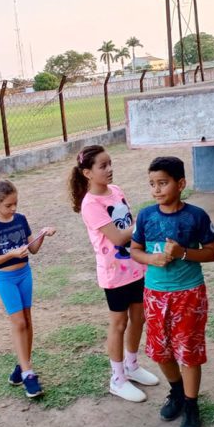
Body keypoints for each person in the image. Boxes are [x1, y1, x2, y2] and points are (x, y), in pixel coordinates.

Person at [130, 156, 214, 427]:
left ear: (180, 184)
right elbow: (134, 250)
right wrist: (151, 258)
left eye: (163, 183)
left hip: (189, 294)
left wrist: (183, 252)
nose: (157, 189)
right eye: (152, 184)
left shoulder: (196, 216)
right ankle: (178, 392)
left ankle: (192, 406)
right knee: (161, 351)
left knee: (189, 353)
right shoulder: (145, 216)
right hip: (155, 295)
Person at [69, 145, 158, 402]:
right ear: (87, 172)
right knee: (119, 324)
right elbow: (119, 236)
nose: (109, 169)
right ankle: (117, 379)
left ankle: (132, 365)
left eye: (110, 164)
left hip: (136, 266)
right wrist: (142, 221)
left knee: (139, 318)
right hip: (114, 273)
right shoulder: (90, 204)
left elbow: (128, 226)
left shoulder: (116, 191)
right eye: (102, 166)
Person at [0, 179, 56, 398]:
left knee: (28, 320)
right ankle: (27, 375)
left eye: (15, 203)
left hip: (25, 274)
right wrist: (12, 255)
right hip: (6, 279)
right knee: (19, 323)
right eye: (8, 205)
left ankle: (24, 365)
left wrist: (42, 234)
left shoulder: (21, 219)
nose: (13, 208)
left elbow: (32, 249)